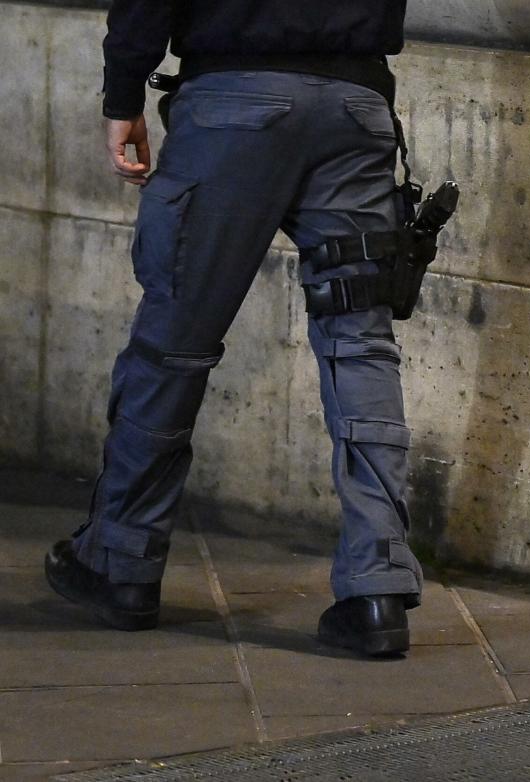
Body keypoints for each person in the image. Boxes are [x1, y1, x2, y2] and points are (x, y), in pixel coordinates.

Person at [43, 0, 425, 658]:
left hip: (232, 104)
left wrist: (123, 92)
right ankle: (376, 590)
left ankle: (121, 562)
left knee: (173, 346)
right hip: (356, 106)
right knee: (359, 343)